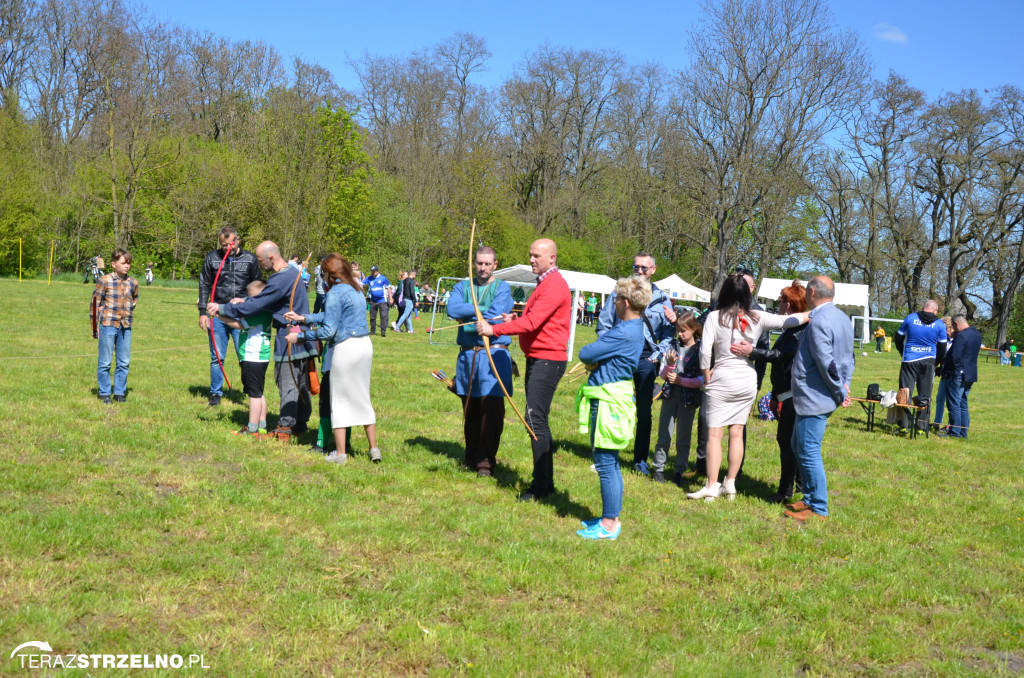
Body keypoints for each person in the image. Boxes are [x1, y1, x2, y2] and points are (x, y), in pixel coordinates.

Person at [687, 274, 809, 501]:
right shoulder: (757, 317)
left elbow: (705, 351)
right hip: (747, 380)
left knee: (714, 434)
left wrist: (706, 374)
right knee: (736, 433)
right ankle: (731, 483)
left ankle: (712, 485)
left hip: (721, 377)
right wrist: (814, 312)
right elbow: (788, 321)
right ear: (747, 294)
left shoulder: (715, 317)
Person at [477, 238, 572, 502]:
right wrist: (512, 320)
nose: (531, 260)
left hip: (547, 360)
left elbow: (532, 323)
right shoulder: (546, 282)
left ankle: (541, 486)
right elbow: (535, 319)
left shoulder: (554, 285)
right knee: (536, 419)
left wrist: (494, 329)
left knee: (535, 421)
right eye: (530, 255)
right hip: (540, 358)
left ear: (551, 258)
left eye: (536, 256)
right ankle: (545, 481)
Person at [207, 241, 316, 442]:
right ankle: (300, 423)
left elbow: (258, 304)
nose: (258, 264)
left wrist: (221, 309)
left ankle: (285, 427)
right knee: (300, 383)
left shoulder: (281, 278)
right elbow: (268, 302)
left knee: (288, 382)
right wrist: (246, 301)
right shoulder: (292, 274)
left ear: (271, 258)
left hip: (291, 337)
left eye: (260, 260)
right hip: (301, 335)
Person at [285, 254, 379, 463]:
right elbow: (333, 315)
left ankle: (340, 453)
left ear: (330, 273)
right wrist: (304, 318)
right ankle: (374, 450)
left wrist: (299, 336)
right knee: (362, 398)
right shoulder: (356, 288)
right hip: (364, 346)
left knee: (339, 401)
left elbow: (328, 330)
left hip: (345, 349)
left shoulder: (336, 292)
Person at [575, 276, 649, 540]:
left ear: (626, 303)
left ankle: (609, 524)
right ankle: (611, 517)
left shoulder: (623, 331)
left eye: (617, 299)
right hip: (614, 397)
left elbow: (586, 353)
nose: (615, 303)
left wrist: (596, 361)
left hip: (609, 401)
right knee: (611, 462)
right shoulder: (634, 327)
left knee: (606, 463)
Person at [596, 252, 676, 477]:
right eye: (636, 267)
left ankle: (640, 459)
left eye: (643, 268)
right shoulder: (620, 291)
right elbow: (604, 323)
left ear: (653, 270)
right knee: (612, 406)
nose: (639, 271)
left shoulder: (661, 298)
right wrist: (608, 348)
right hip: (619, 356)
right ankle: (606, 456)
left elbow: (669, 334)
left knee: (643, 411)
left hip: (646, 359)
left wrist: (657, 355)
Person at [784, 276, 855, 522]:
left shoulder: (819, 321)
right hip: (824, 393)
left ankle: (819, 508)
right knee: (797, 445)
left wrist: (840, 390)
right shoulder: (842, 317)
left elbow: (827, 363)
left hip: (815, 396)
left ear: (812, 291)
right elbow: (849, 358)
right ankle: (810, 497)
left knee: (808, 451)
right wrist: (845, 384)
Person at [732, 281, 808, 503]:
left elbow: (779, 355)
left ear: (792, 303)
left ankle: (787, 491)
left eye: (783, 300)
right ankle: (799, 487)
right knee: (791, 442)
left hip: (795, 395)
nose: (780, 304)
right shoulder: (791, 328)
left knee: (787, 442)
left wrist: (751, 352)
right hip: (786, 393)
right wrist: (775, 395)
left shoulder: (798, 330)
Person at [447, 248, 514, 476]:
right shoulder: (462, 287)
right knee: (471, 410)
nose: (483, 268)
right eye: (479, 263)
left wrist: (467, 319)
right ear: (473, 263)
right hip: (468, 356)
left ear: (495, 264)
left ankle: (485, 463)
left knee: (491, 411)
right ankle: (471, 457)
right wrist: (481, 312)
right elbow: (451, 308)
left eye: (487, 263)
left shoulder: (502, 288)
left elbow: (497, 314)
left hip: (493, 355)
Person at [197, 227, 262, 406]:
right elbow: (204, 285)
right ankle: (215, 393)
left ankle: (250, 390)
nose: (226, 248)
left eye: (230, 244)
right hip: (217, 314)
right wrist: (203, 312)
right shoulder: (212, 258)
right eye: (223, 245)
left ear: (238, 240)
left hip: (240, 315)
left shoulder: (250, 259)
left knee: (245, 355)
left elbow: (258, 286)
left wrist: (246, 300)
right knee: (217, 356)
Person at [653, 313, 704, 485]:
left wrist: (682, 381)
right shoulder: (672, 347)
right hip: (670, 396)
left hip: (688, 400)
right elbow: (662, 375)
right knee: (664, 435)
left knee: (683, 438)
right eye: (678, 331)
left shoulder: (700, 351)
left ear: (693, 329)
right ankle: (658, 469)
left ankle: (678, 471)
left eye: (683, 331)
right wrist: (669, 364)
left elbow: (702, 380)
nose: (680, 334)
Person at [217, 280, 271, 435]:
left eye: (252, 298)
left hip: (253, 356)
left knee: (254, 394)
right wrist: (242, 300)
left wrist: (218, 314)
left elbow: (237, 324)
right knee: (258, 391)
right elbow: (249, 303)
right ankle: (262, 425)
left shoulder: (258, 311)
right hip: (259, 356)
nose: (250, 301)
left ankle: (252, 427)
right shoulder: (263, 306)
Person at [91, 248, 139, 404]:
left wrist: (128, 311)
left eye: (129, 263)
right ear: (113, 264)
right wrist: (94, 326)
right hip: (108, 325)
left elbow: (135, 300)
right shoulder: (104, 280)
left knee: (124, 361)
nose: (127, 266)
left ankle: (119, 392)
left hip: (126, 326)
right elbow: (95, 303)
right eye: (124, 263)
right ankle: (104, 393)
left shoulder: (133, 282)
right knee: (105, 362)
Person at [894, 300, 948, 432]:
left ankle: (904, 425)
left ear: (924, 308)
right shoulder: (939, 324)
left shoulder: (911, 318)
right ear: (935, 311)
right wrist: (936, 363)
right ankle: (921, 426)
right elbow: (942, 347)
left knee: (905, 392)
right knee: (925, 394)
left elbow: (898, 337)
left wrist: (901, 351)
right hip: (928, 361)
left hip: (909, 360)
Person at [941, 315, 981, 439]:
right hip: (970, 374)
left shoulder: (961, 336)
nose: (953, 329)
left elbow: (955, 356)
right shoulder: (976, 334)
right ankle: (963, 432)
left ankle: (954, 432)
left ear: (957, 323)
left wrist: (948, 369)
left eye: (953, 326)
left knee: (954, 404)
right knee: (963, 403)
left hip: (957, 374)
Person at [931, 317, 956, 431]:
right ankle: (937, 422)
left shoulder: (957, 340)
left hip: (953, 374)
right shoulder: (942, 340)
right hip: (944, 373)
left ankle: (951, 424)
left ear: (951, 328)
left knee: (952, 401)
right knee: (940, 398)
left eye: (946, 329)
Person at [362, 266, 391, 337]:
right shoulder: (369, 278)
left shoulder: (383, 278)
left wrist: (391, 298)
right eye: (372, 271)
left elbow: (388, 287)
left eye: (374, 271)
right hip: (373, 301)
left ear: (377, 271)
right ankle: (372, 331)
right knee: (372, 317)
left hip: (382, 301)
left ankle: (383, 332)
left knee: (383, 316)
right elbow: (361, 283)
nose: (373, 273)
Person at [392, 269, 418, 333]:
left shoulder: (405, 280)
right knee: (405, 315)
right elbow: (412, 292)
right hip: (409, 299)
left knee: (409, 316)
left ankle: (411, 330)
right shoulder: (412, 281)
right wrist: (415, 300)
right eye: (415, 275)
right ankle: (397, 327)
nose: (415, 276)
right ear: (413, 274)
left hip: (405, 298)